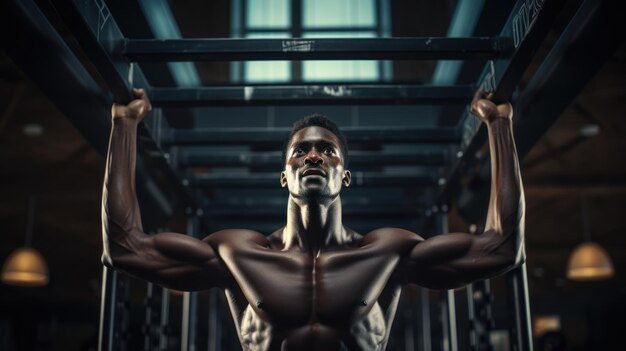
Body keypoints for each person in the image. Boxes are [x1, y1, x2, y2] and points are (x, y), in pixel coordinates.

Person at [102, 88, 525, 351]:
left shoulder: (388, 253)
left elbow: (503, 247)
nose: (314, 156)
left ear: (346, 175)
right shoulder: (238, 254)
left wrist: (499, 124)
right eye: (301, 151)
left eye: (327, 150)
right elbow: (124, 248)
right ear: (284, 176)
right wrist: (124, 126)